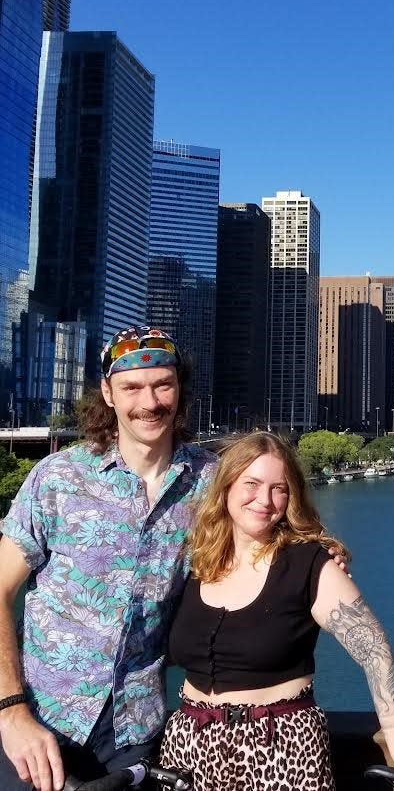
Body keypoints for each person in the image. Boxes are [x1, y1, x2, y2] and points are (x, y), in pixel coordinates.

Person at [160, 431, 394, 791]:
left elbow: (375, 653)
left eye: (279, 488)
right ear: (227, 486)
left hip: (280, 747)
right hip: (188, 749)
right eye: (251, 483)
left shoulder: (310, 564)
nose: (264, 499)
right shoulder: (193, 563)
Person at [0, 326, 213, 791]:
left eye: (163, 384)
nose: (150, 401)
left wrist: (321, 554)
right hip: (39, 718)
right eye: (132, 387)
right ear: (108, 394)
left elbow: (271, 535)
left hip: (134, 731)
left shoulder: (212, 483)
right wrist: (11, 710)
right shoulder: (58, 477)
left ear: (180, 389)